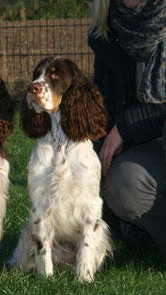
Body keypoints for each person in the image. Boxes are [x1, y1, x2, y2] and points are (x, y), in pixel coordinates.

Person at [89, 0, 166, 255]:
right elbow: (106, 105)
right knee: (123, 184)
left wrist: (127, 127)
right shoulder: (107, 29)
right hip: (147, 149)